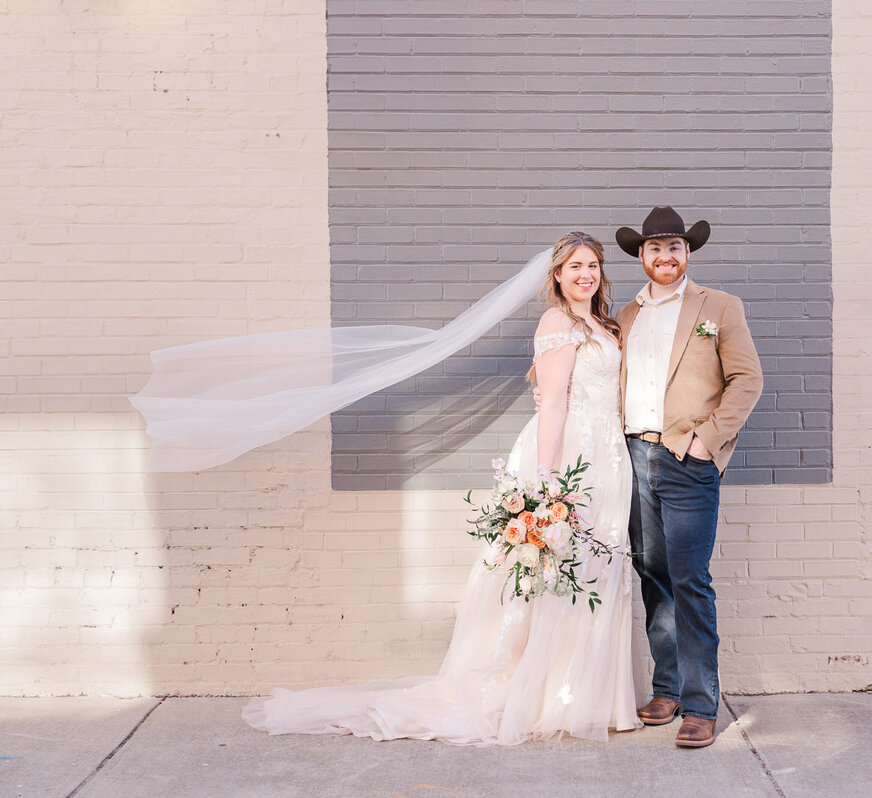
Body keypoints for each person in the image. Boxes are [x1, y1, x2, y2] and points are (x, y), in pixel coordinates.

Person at [241, 231, 641, 745]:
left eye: (593, 265)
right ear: (558, 276)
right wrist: (546, 484)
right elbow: (556, 404)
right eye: (574, 266)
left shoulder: (599, 323)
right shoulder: (557, 322)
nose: (585, 273)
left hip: (608, 457)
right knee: (557, 571)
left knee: (598, 567)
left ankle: (581, 695)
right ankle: (544, 696)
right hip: (572, 458)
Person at [615, 207, 763, 748]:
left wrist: (706, 442)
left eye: (674, 247)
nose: (665, 257)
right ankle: (667, 687)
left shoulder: (719, 307)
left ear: (687, 253)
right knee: (652, 575)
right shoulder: (624, 316)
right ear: (641, 256)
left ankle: (701, 704)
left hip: (687, 461)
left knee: (689, 580)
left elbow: (747, 379)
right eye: (655, 249)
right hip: (632, 458)